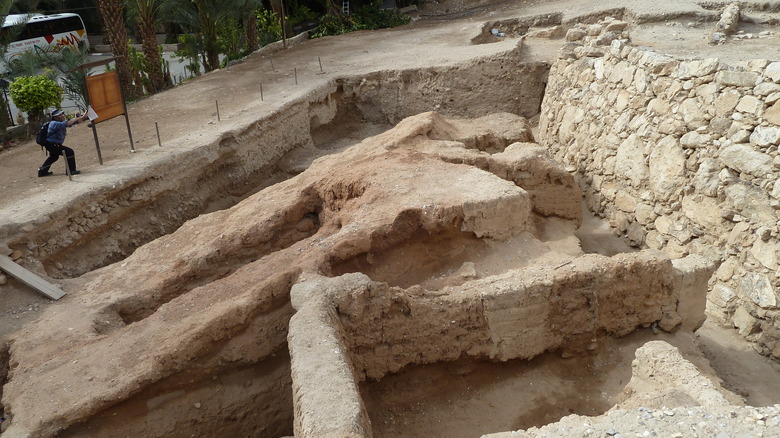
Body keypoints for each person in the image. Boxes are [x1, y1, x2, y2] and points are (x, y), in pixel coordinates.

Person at [38, 109, 89, 177]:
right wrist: (77, 118)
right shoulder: (54, 123)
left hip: (52, 144)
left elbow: (72, 122)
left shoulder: (60, 122)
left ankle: (42, 171)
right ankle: (70, 171)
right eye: (59, 115)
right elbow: (67, 123)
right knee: (69, 152)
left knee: (54, 157)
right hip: (52, 144)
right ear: (55, 117)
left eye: (62, 114)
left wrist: (83, 117)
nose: (62, 116)